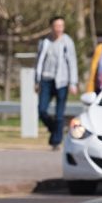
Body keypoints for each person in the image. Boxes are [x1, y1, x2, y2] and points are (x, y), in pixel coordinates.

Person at [35, 16, 78, 150]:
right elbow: (38, 62)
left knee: (59, 115)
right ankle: (55, 130)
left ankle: (55, 142)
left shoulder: (67, 42)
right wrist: (36, 81)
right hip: (46, 80)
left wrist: (73, 82)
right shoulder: (44, 42)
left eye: (61, 26)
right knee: (42, 110)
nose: (59, 29)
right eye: (56, 26)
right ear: (51, 27)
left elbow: (72, 62)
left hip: (62, 81)